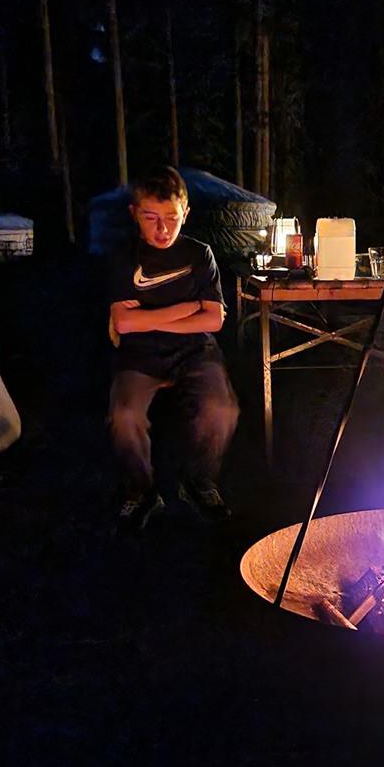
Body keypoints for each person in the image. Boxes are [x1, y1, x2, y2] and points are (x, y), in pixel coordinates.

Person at [107, 166, 239, 530]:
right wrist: (186, 308)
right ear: (135, 214)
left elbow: (214, 320)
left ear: (186, 214)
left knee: (220, 410)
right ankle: (142, 491)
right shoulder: (124, 256)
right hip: (140, 356)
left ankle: (198, 481)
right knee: (124, 417)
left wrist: (149, 316)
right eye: (151, 218)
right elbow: (124, 324)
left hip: (196, 352)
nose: (162, 229)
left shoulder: (199, 254)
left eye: (171, 218)